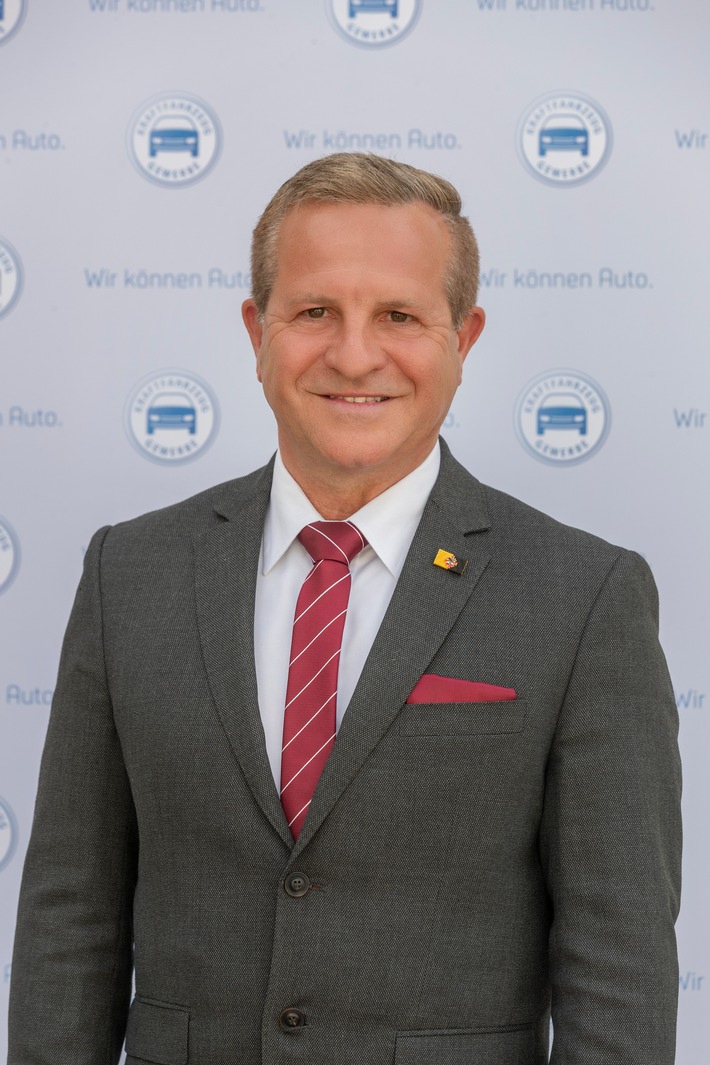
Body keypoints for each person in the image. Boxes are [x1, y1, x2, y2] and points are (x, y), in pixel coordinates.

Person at [8, 153, 681, 1065]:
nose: (355, 354)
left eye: (399, 315)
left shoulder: (584, 596)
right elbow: (69, 919)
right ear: (256, 332)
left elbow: (620, 967)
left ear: (464, 338)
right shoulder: (129, 572)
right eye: (315, 311)